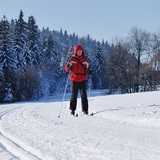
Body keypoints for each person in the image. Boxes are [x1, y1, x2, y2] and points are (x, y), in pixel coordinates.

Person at [64, 45, 92, 116]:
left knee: (84, 95)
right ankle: (72, 110)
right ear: (75, 52)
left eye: (81, 51)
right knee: (74, 95)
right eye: (78, 51)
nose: (79, 52)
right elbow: (66, 68)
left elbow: (88, 68)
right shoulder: (72, 60)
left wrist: (89, 71)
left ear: (82, 52)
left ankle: (85, 110)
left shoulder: (85, 60)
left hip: (82, 78)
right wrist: (69, 67)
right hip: (74, 78)